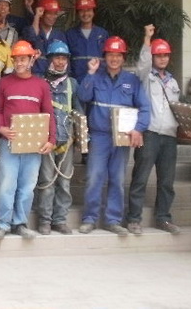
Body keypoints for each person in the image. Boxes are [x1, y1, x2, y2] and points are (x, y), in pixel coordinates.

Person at [77, 36, 150, 236]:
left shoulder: (132, 81)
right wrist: (90, 73)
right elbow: (83, 96)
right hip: (99, 136)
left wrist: (138, 129)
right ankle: (89, 218)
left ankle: (113, 220)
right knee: (94, 177)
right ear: (104, 57)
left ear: (123, 58)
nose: (114, 59)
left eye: (118, 55)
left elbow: (144, 108)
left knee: (117, 179)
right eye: (110, 54)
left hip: (122, 137)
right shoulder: (96, 76)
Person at [0, 41, 55, 240]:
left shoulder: (41, 85)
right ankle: (2, 223)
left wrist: (51, 140)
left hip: (33, 145)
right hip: (9, 143)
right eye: (16, 59)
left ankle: (20, 223)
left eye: (23, 59)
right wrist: (1, 128)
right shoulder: (4, 83)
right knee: (6, 185)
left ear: (31, 60)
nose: (19, 63)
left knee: (27, 187)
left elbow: (49, 114)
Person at [127, 25, 181, 235]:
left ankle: (164, 218)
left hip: (169, 137)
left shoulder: (173, 82)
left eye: (165, 55)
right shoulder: (145, 77)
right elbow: (143, 63)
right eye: (159, 55)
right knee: (140, 178)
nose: (162, 58)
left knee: (167, 181)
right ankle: (134, 219)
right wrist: (147, 39)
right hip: (149, 134)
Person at [35, 40, 83, 235]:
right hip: (46, 140)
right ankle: (45, 220)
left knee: (64, 182)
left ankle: (60, 220)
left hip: (67, 140)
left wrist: (82, 137)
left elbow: (78, 110)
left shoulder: (72, 84)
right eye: (57, 57)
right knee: (46, 182)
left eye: (64, 58)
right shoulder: (40, 82)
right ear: (50, 59)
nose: (61, 62)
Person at [65, 0, 109, 83]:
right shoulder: (70, 34)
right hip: (76, 81)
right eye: (82, 11)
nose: (85, 14)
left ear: (93, 12)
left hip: (98, 81)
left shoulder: (103, 34)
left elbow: (107, 57)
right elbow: (66, 59)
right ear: (77, 13)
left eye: (88, 10)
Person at [22, 0, 67, 76]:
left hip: (53, 77)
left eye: (55, 14)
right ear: (42, 14)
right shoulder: (30, 30)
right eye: (49, 13)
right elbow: (32, 38)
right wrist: (37, 16)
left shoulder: (60, 35)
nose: (53, 17)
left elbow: (64, 58)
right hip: (34, 76)